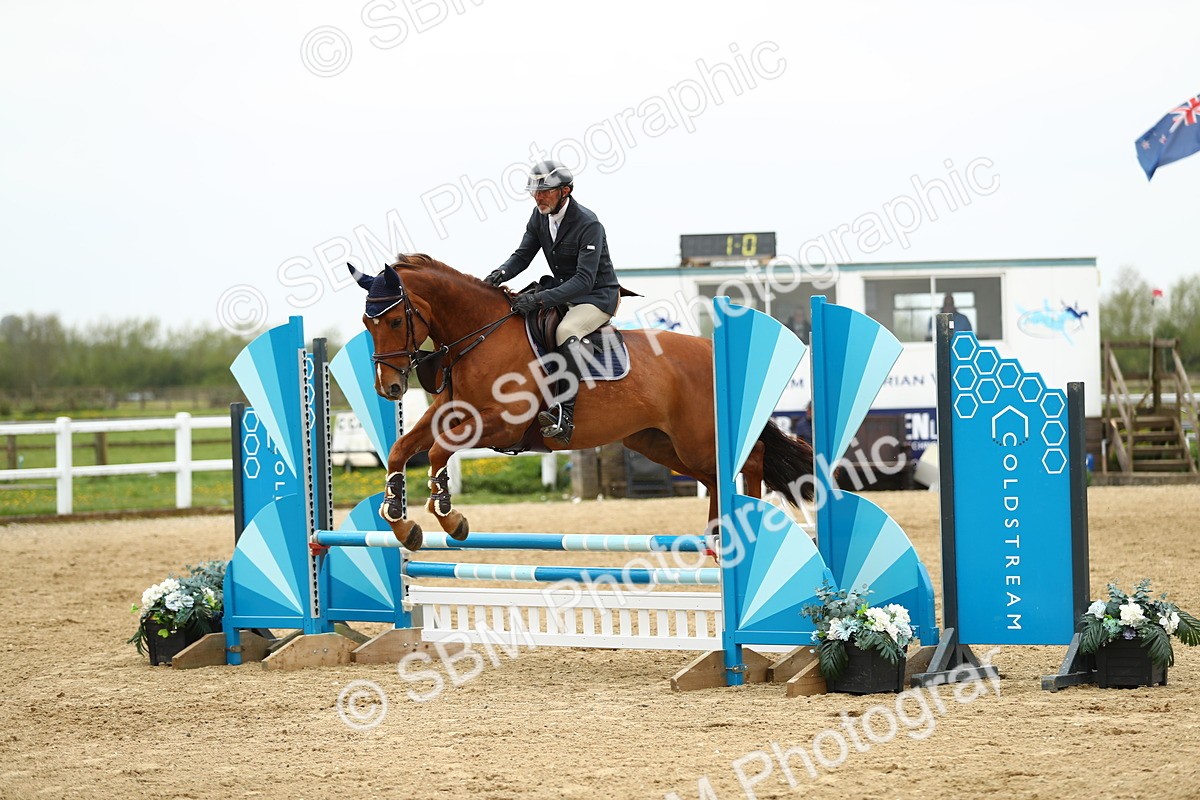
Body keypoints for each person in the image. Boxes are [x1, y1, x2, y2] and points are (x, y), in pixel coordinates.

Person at [483, 160, 621, 445]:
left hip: (595, 297)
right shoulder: (539, 217)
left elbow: (584, 280)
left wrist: (538, 300)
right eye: (535, 191)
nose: (538, 197)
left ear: (565, 191)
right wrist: (499, 274)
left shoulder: (588, 223)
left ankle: (564, 413)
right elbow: (522, 256)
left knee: (564, 332)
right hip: (562, 292)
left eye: (545, 191)